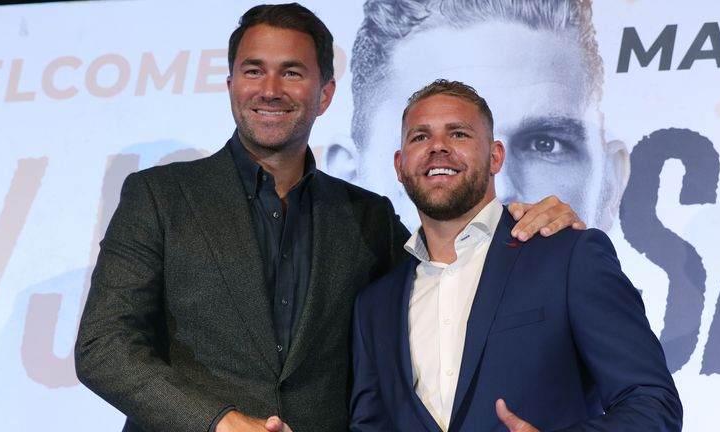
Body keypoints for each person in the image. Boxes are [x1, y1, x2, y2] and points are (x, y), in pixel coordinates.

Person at [75, 4, 583, 432]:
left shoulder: (369, 217)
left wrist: (525, 219)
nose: (270, 88)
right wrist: (219, 421)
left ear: (326, 93)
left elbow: (454, 280)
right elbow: (103, 347)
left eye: (292, 72)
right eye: (254, 70)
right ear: (231, 85)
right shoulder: (160, 197)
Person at [350, 80, 682, 431]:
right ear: (400, 165)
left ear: (495, 156)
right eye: (420, 137)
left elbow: (652, 404)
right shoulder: (375, 304)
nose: (438, 147)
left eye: (459, 134)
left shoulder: (569, 257)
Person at [326, 0, 629, 231]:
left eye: (544, 145)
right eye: (426, 140)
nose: (499, 190)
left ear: (610, 183)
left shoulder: (592, 283)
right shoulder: (368, 307)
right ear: (348, 183)